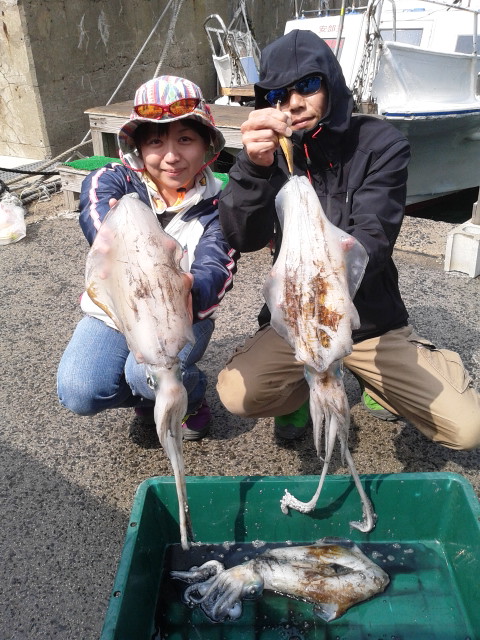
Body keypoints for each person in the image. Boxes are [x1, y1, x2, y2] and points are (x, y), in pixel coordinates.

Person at [216, 29, 480, 450]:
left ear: (331, 83)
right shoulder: (268, 155)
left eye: (307, 85)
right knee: (238, 394)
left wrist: (330, 285)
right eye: (278, 94)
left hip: (370, 320)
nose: (294, 103)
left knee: (468, 429)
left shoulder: (381, 144)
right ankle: (300, 393)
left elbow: (374, 238)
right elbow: (241, 237)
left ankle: (384, 378)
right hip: (299, 320)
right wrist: (252, 168)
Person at [58, 75, 237, 441]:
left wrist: (185, 287)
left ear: (206, 145)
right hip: (115, 313)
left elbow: (215, 271)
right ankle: (148, 396)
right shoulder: (114, 179)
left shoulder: (222, 205)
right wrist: (113, 234)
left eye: (185, 139)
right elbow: (93, 210)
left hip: (182, 315)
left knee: (147, 373)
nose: (171, 156)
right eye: (156, 141)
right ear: (138, 147)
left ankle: (188, 393)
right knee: (80, 392)